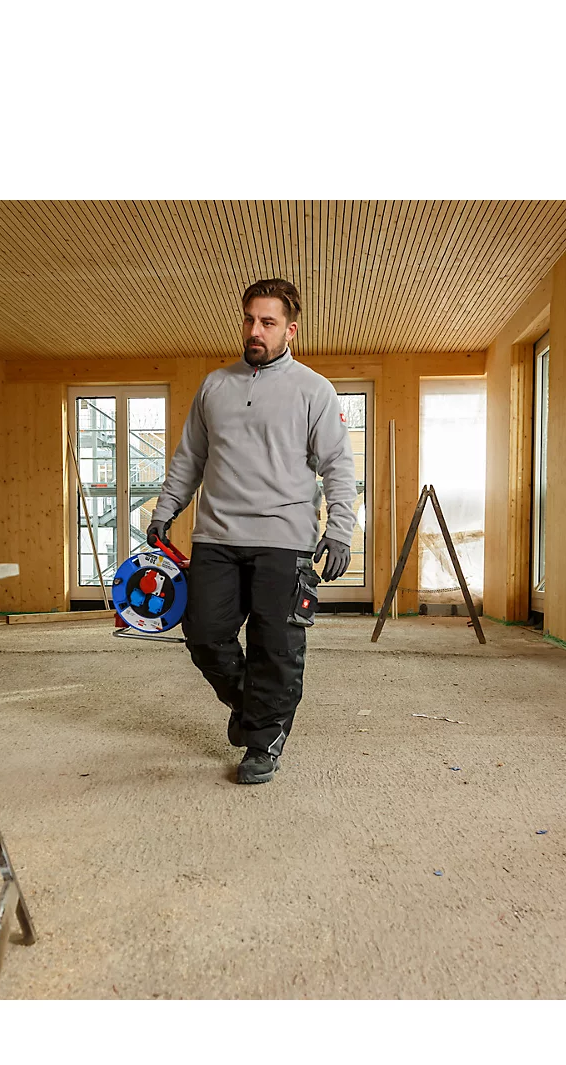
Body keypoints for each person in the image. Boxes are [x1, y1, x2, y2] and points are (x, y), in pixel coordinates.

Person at [147, 278, 357, 785]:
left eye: (267, 322)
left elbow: (337, 464)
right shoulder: (215, 386)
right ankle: (252, 709)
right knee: (203, 632)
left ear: (291, 329)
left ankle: (263, 741)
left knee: (276, 646)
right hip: (216, 535)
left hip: (285, 538)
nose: (255, 331)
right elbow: (190, 458)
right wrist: (166, 509)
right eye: (249, 319)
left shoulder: (313, 389)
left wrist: (341, 529)